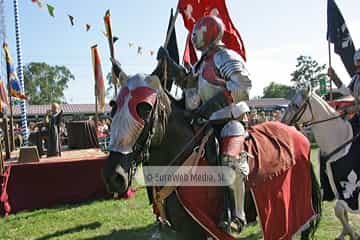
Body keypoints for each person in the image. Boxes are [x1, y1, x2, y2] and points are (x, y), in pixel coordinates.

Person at [157, 15, 252, 233]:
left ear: (209, 33)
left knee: (230, 159)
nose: (195, 37)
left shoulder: (224, 56)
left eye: (198, 34)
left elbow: (243, 86)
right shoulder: (203, 63)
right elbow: (188, 82)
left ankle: (236, 214)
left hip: (229, 119)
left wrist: (212, 105)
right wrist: (169, 65)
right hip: (206, 123)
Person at [328, 49, 360, 132]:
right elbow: (347, 92)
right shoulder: (356, 78)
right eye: (357, 61)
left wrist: (346, 110)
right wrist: (334, 77)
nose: (358, 64)